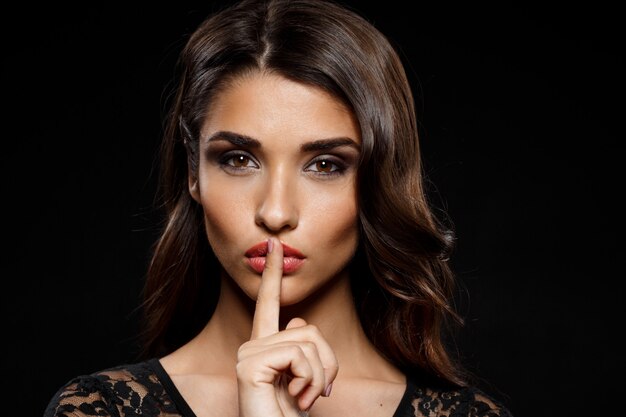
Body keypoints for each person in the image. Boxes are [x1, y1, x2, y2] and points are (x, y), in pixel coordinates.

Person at [44, 0, 513, 416]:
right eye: (239, 160)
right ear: (193, 172)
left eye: (326, 164)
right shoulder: (100, 409)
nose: (274, 212)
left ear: (376, 180)